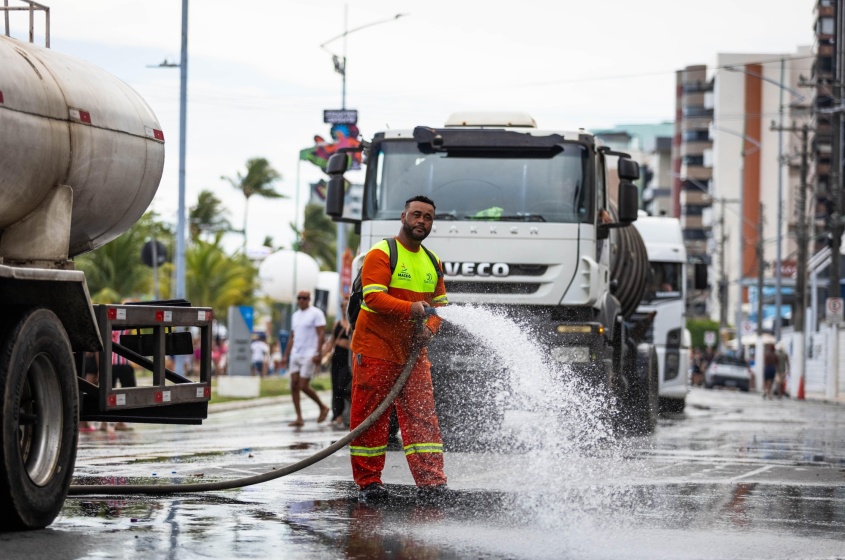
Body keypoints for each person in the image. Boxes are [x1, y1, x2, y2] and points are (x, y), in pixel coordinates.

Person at [349, 195, 449, 504]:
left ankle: (432, 483)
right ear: (403, 216)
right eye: (416, 215)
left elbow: (440, 307)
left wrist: (429, 329)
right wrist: (413, 309)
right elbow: (372, 298)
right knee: (371, 418)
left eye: (428, 217)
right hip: (377, 349)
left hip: (413, 355)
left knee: (422, 417)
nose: (422, 221)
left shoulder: (433, 261)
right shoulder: (382, 253)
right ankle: (369, 483)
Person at [281, 290, 331, 427]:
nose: (301, 300)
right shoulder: (295, 316)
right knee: (293, 385)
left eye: (304, 298)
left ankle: (323, 407)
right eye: (299, 298)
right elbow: (292, 336)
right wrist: (285, 356)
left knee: (303, 385)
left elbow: (321, 334)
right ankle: (299, 417)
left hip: (310, 353)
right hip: (296, 353)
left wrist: (318, 353)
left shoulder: (316, 313)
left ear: (309, 299)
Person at [323, 298, 353, 429]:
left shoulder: (353, 322)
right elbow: (331, 341)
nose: (344, 307)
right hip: (337, 356)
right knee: (335, 386)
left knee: (343, 385)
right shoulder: (337, 323)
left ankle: (346, 412)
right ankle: (337, 415)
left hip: (349, 357)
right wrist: (323, 353)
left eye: (346, 305)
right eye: (342, 305)